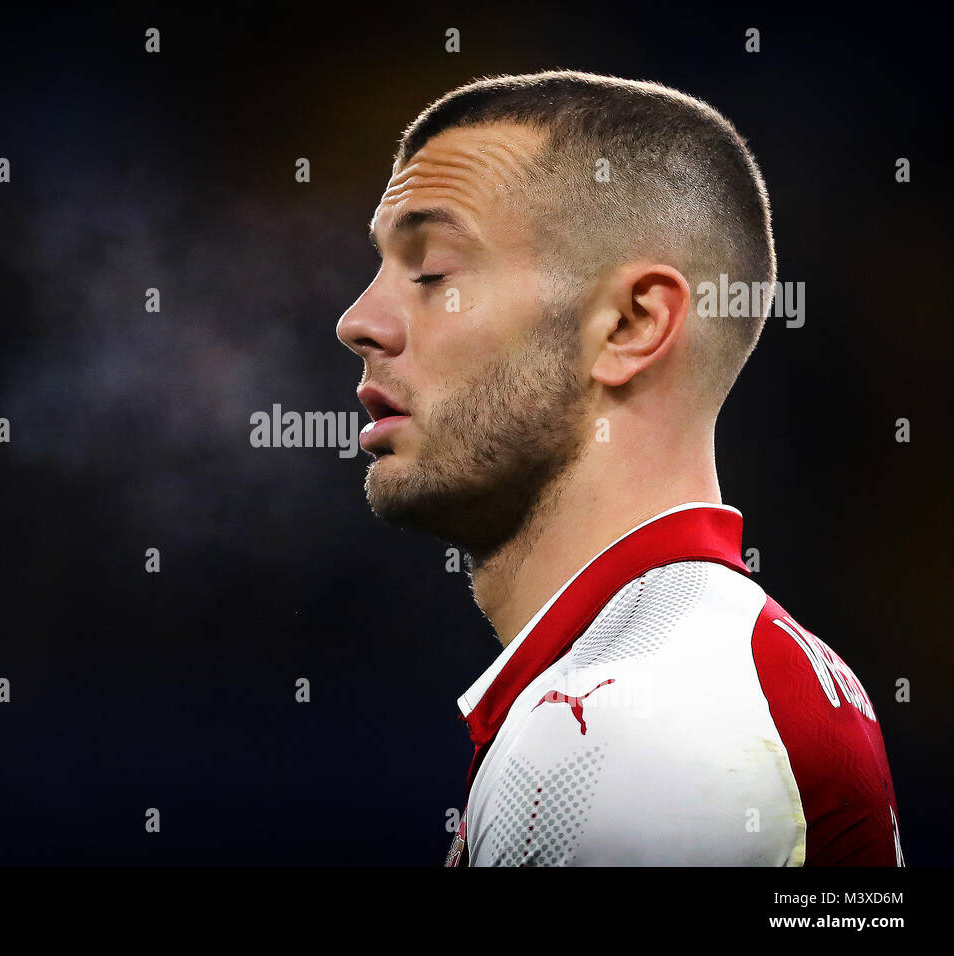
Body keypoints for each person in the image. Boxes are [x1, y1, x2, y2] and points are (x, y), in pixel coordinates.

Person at [336, 71, 902, 866]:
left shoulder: (628, 724)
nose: (358, 321)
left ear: (632, 324)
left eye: (431, 271)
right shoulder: (696, 668)